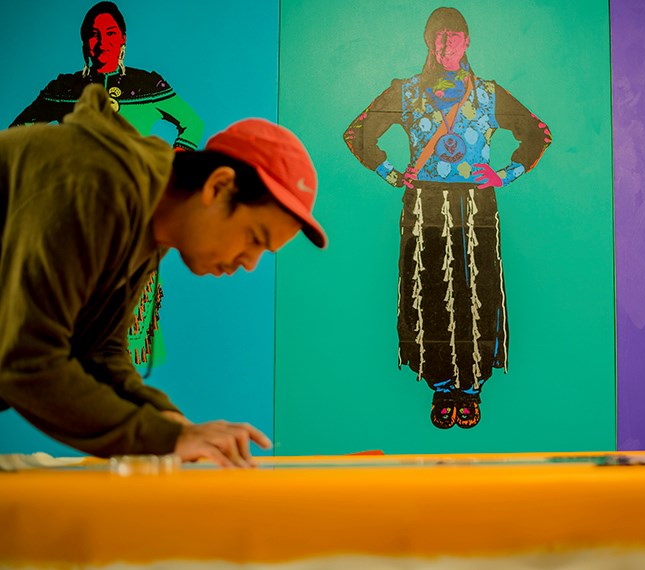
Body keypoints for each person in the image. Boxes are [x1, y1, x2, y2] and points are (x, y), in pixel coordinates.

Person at [0, 84, 327, 466]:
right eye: (254, 239)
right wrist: (168, 437)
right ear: (218, 187)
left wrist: (164, 417)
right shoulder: (99, 185)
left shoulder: (149, 216)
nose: (250, 263)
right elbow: (26, 360)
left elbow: (100, 351)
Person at [343, 7, 551, 429]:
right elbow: (357, 133)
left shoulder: (488, 93)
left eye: (454, 36)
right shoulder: (406, 91)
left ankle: (472, 387)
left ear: (467, 41)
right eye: (438, 36)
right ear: (427, 41)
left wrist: (504, 174)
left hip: (477, 206)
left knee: (479, 289)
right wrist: (391, 172)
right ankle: (440, 384)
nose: (445, 44)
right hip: (424, 206)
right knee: (429, 290)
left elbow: (538, 133)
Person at [10, 1, 206, 369]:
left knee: (127, 329)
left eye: (110, 34)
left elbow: (191, 124)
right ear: (85, 42)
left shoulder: (145, 84)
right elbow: (18, 132)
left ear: (123, 40)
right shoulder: (65, 88)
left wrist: (173, 162)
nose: (102, 43)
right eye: (94, 36)